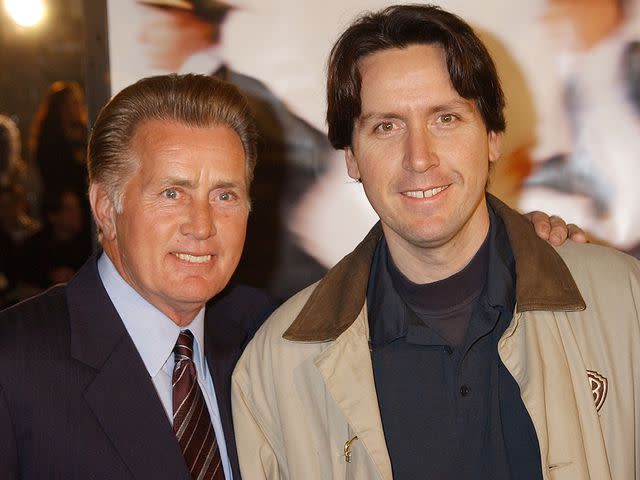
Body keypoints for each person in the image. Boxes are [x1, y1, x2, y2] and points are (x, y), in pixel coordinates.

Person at [232, 5, 640, 480]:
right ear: (351, 157)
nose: (419, 158)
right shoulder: (274, 368)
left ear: (491, 136)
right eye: (387, 126)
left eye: (444, 119)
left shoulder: (624, 303)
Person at [0, 74, 276, 479]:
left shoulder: (267, 336)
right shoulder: (14, 364)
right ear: (106, 209)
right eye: (171, 193)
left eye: (224, 195)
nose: (201, 226)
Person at [130, 0, 335, 301]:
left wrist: (259, 218)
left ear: (194, 24)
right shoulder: (228, 91)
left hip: (261, 291)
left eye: (162, 19)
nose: (145, 35)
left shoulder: (242, 98)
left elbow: (312, 151)